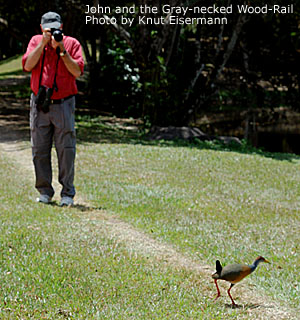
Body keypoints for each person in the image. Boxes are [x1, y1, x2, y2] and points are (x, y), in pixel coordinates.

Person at [22, 12, 84, 206]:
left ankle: (67, 193)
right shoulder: (35, 41)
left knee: (66, 149)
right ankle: (44, 191)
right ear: (41, 28)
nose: (52, 31)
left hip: (64, 103)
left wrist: (62, 50)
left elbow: (77, 71)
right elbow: (27, 65)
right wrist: (42, 44)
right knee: (39, 148)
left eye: (55, 28)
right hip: (40, 103)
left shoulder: (72, 43)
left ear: (62, 26)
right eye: (48, 28)